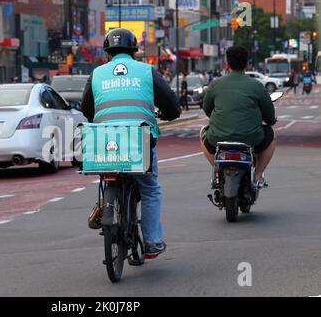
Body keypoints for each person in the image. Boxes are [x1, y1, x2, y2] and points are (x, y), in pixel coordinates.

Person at [81, 28, 181, 258]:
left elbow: (87, 109)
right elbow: (172, 106)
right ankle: (152, 242)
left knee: (106, 172)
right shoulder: (147, 71)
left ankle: (102, 206)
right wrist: (170, 114)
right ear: (134, 52)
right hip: (140, 139)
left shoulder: (96, 74)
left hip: (104, 140)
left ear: (108, 53)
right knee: (150, 189)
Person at [199, 45, 276, 187]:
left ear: (227, 64)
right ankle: (258, 175)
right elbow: (270, 117)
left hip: (218, 138)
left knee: (203, 132)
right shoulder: (256, 86)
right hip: (251, 139)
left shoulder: (215, 85)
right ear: (247, 64)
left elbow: (207, 109)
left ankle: (217, 169)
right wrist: (269, 120)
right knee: (271, 136)